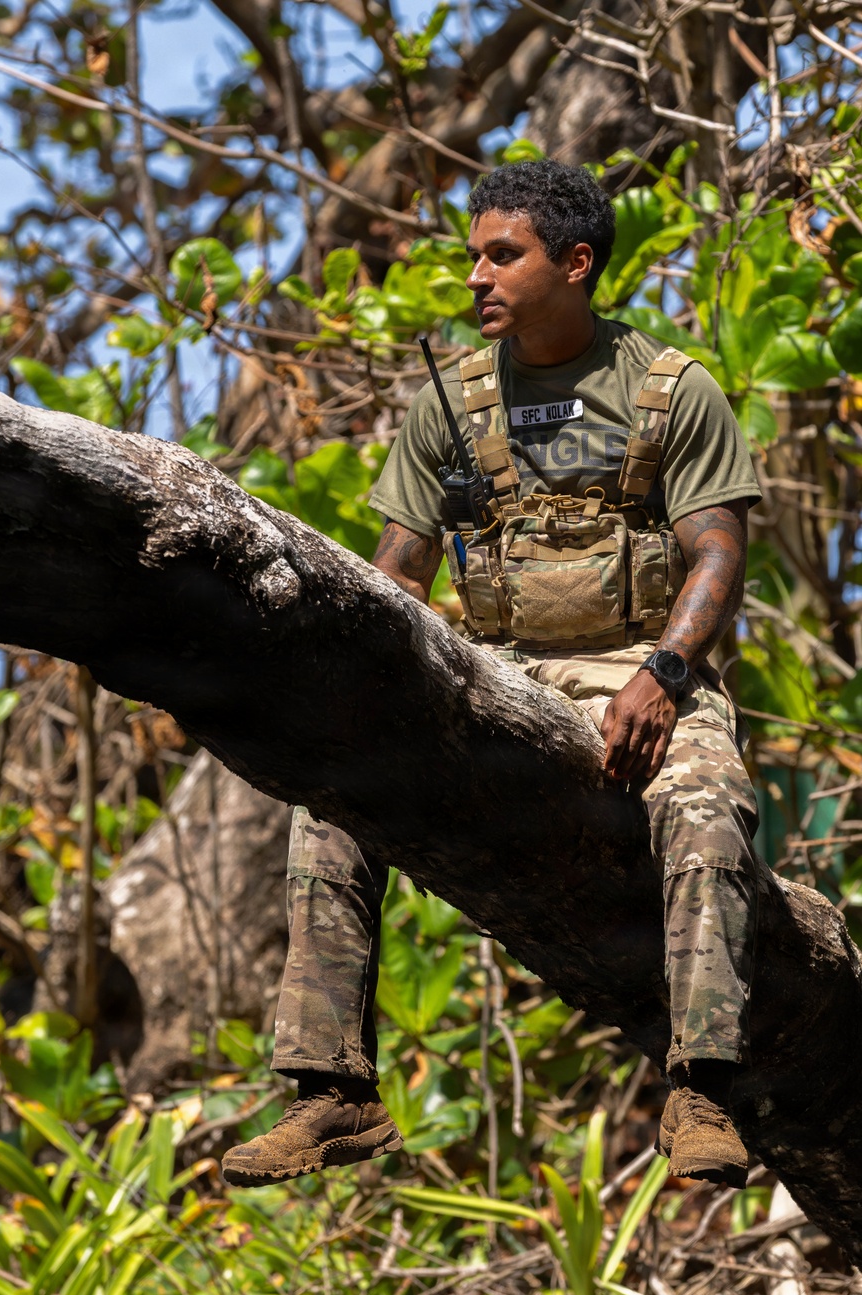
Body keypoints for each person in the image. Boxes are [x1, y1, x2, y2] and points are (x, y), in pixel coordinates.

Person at [222, 158, 761, 1192]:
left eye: (499, 255)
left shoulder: (670, 387)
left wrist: (663, 672)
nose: (474, 275)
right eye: (472, 254)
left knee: (706, 808)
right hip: (493, 667)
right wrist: (379, 691)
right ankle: (330, 1091)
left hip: (635, 668)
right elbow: (396, 574)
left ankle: (702, 1086)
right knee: (331, 803)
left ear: (574, 262)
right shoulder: (451, 401)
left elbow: (717, 555)